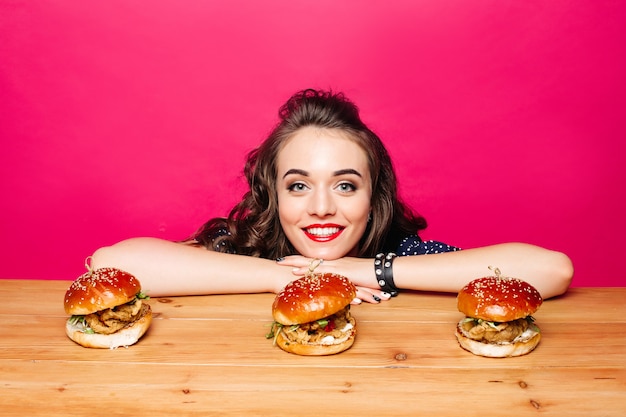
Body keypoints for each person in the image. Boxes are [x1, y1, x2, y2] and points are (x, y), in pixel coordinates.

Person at [91, 89, 573, 303]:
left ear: (373, 196)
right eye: (298, 186)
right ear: (273, 196)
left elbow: (552, 270)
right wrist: (283, 278)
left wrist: (364, 270)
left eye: (345, 185)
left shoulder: (403, 254)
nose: (321, 207)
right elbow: (110, 262)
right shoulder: (246, 249)